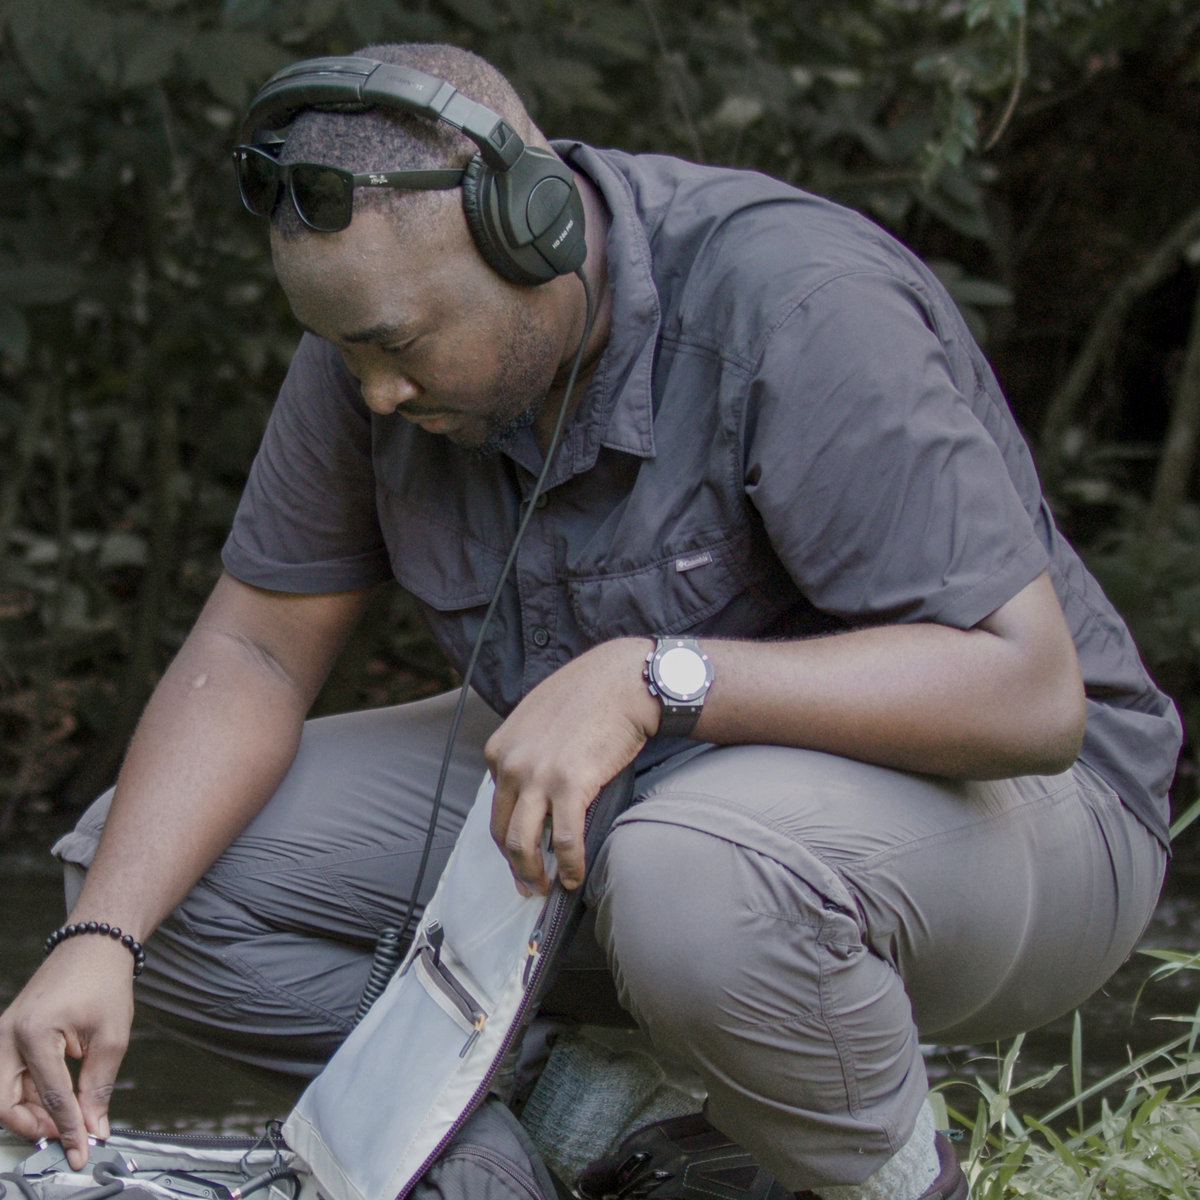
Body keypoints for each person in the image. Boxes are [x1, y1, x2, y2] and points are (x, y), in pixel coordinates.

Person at [0, 39, 1180, 1200]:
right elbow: (254, 649)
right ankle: (591, 1137)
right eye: (343, 348)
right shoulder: (374, 352)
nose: (374, 393)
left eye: (395, 345)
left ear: (533, 233)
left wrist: (655, 677)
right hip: (639, 819)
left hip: (1027, 822)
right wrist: (98, 940)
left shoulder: (797, 304)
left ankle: (899, 1185)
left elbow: (1030, 695)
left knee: (696, 878)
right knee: (152, 872)